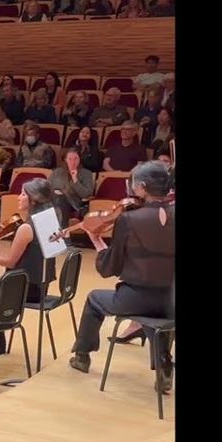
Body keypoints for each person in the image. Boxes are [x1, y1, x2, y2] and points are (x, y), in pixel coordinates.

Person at [69, 162, 175, 391]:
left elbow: (110, 268)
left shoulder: (128, 220)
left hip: (134, 298)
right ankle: (164, 362)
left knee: (94, 299)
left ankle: (82, 356)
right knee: (153, 315)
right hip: (170, 299)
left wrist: (97, 241)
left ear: (142, 188)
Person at [49, 148, 96, 226]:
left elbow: (87, 194)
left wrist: (75, 180)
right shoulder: (57, 172)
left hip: (74, 204)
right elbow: (47, 188)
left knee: (61, 199)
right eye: (70, 159)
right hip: (54, 201)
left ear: (79, 159)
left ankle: (62, 229)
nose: (73, 162)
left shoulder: (86, 173)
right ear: (65, 160)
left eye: (76, 159)